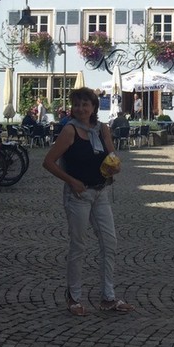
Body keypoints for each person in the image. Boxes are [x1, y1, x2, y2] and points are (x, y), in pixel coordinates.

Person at [43, 86, 134, 315]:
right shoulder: (70, 131)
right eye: (77, 104)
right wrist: (71, 181)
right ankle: (74, 297)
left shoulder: (102, 129)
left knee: (109, 243)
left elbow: (112, 156)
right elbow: (49, 162)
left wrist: (115, 166)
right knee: (79, 245)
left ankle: (108, 297)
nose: (81, 108)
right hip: (78, 195)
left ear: (94, 107)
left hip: (101, 192)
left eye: (85, 104)